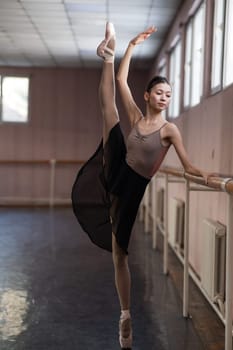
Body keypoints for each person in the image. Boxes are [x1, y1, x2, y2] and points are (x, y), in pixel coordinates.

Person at [72, 22, 211, 350]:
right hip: (118, 163)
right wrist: (131, 45)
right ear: (148, 95)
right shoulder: (137, 117)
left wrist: (203, 175)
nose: (164, 98)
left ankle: (125, 315)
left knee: (120, 253)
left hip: (133, 186)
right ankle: (108, 54)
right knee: (110, 112)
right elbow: (122, 81)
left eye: (169, 95)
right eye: (160, 93)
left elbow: (188, 164)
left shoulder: (169, 131)